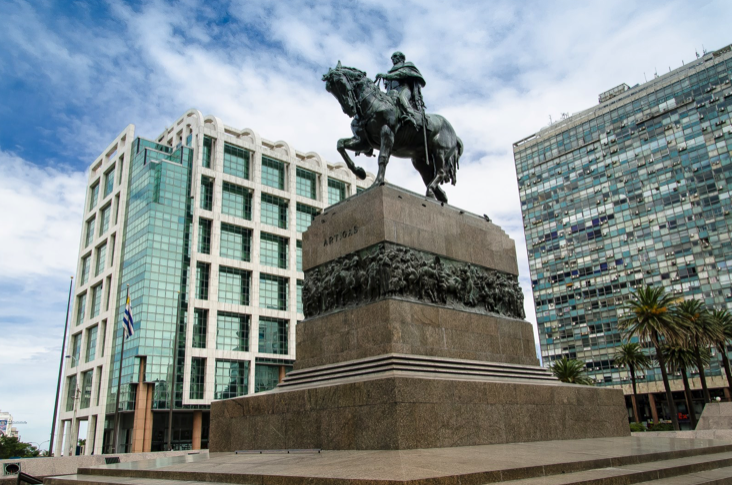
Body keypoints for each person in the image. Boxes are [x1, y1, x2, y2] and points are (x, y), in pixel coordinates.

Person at [375, 52, 426, 129]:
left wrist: (386, 76)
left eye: (395, 56)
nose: (393, 58)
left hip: (404, 89)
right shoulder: (390, 72)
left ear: (401, 58)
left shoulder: (407, 65)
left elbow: (401, 74)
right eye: (392, 57)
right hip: (392, 93)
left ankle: (410, 115)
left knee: (402, 97)